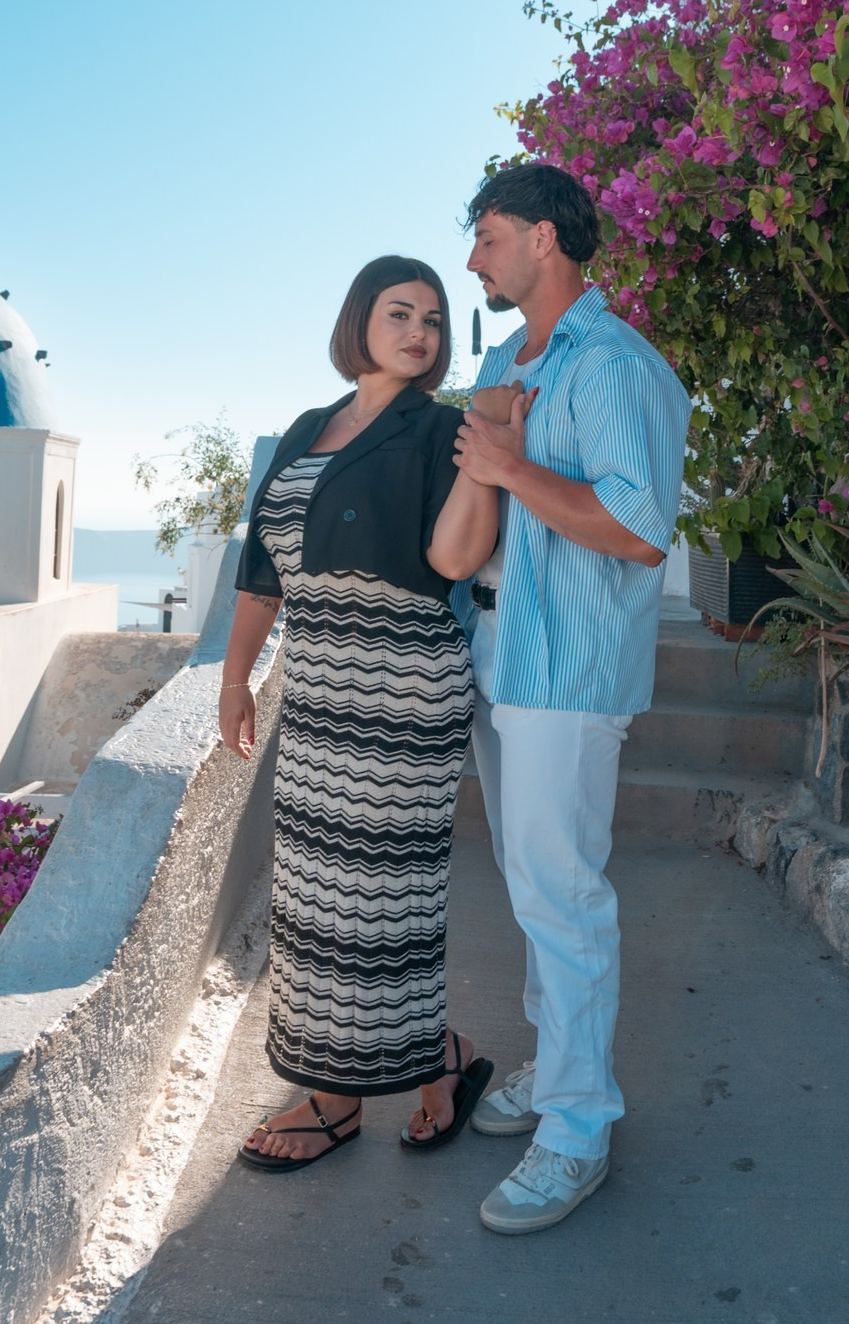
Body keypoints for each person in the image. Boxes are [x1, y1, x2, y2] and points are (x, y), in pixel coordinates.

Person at [218, 255, 502, 1171]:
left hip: (402, 688)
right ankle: (441, 1060)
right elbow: (263, 574)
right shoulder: (309, 427)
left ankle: (340, 1097)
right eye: (398, 311)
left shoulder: (443, 429)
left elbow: (454, 559)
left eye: (432, 317)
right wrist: (234, 678)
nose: (418, 330)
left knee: (386, 902)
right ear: (359, 322)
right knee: (312, 899)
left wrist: (486, 462)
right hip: (317, 691)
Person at [450, 162, 691, 1235]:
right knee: (527, 876)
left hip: (570, 667)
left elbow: (638, 531)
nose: (473, 260)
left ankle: (578, 1125)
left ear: (545, 239)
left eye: (488, 236)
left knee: (563, 891)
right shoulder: (509, 359)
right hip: (501, 649)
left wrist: (505, 464)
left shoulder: (616, 365)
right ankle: (556, 1064)